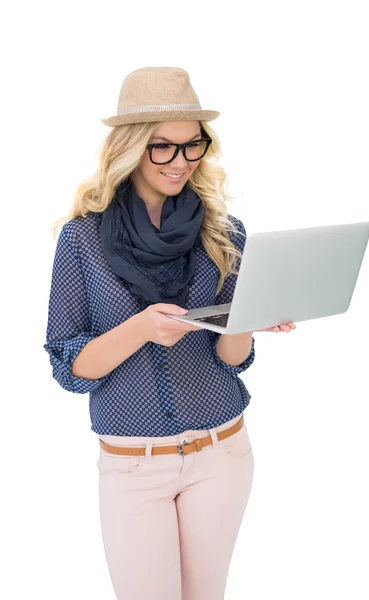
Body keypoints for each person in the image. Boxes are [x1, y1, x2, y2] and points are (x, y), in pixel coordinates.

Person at [43, 66, 295, 600]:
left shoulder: (224, 233)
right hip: (133, 465)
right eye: (162, 147)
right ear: (132, 148)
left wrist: (245, 320)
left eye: (192, 146)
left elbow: (230, 360)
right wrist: (138, 329)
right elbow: (69, 367)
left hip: (222, 453)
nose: (180, 162)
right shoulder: (82, 240)